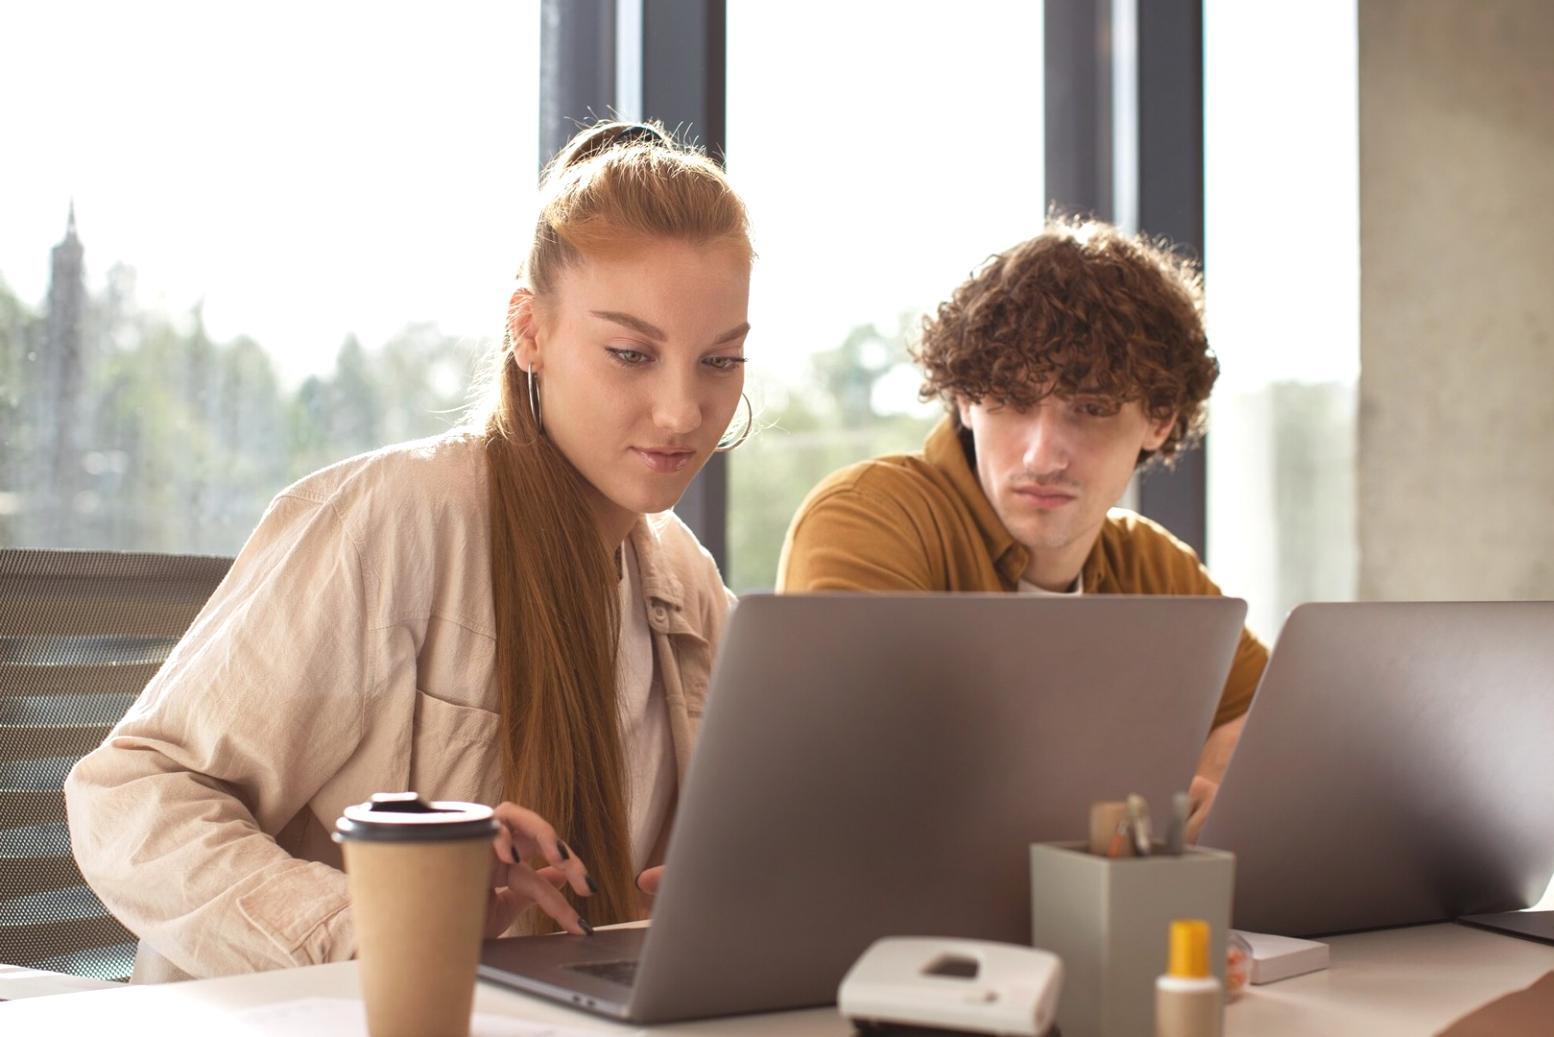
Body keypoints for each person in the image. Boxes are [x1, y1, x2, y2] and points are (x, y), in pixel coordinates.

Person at [65, 121, 754, 981]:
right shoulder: (396, 521)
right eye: (630, 353)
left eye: (721, 359)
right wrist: (381, 930)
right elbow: (129, 797)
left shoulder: (683, 582)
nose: (683, 411)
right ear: (530, 332)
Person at [777, 218, 1267, 836]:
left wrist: (1216, 788)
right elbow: (867, 765)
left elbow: (1273, 719)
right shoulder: (872, 515)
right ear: (963, 400)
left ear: (1159, 420)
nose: (1041, 455)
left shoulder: (1153, 563)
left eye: (1089, 410)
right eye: (1010, 401)